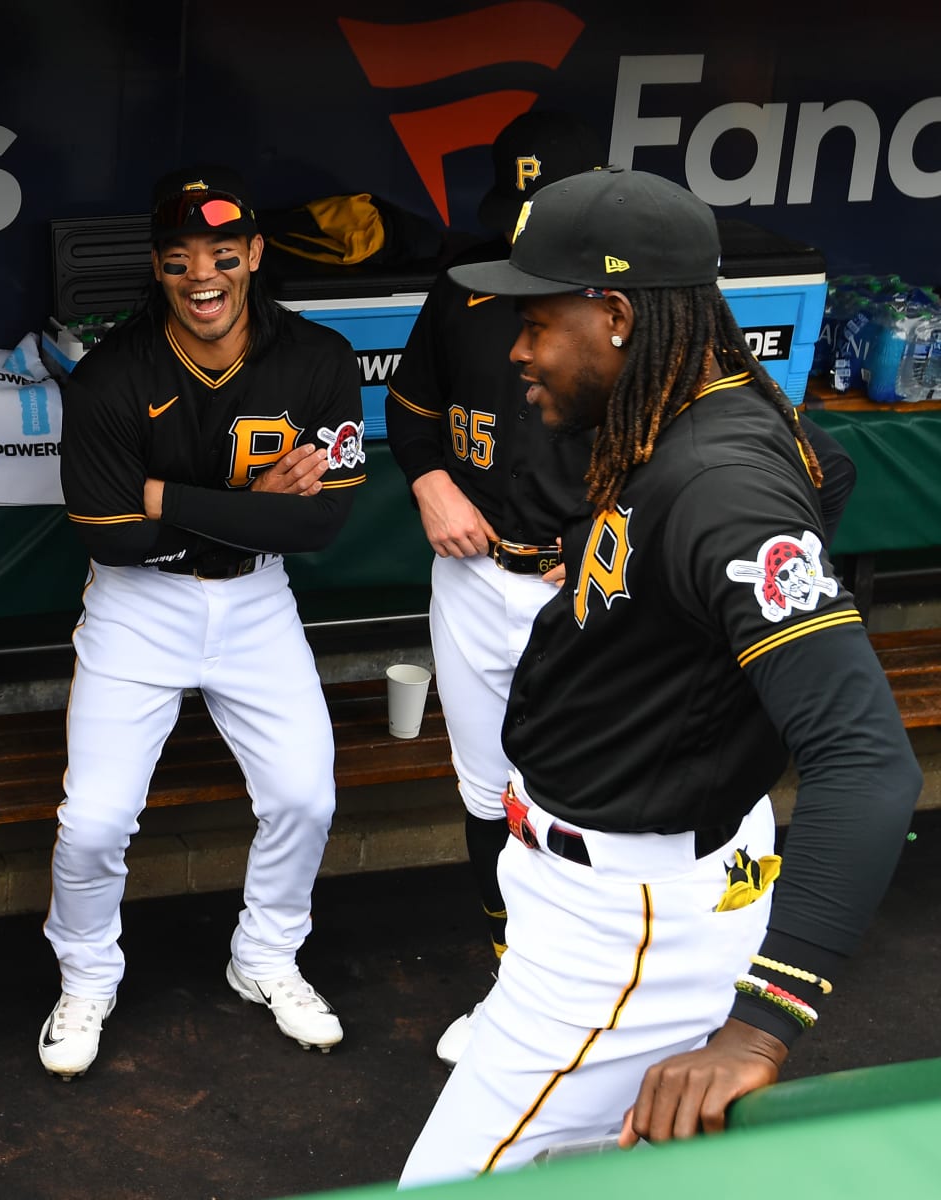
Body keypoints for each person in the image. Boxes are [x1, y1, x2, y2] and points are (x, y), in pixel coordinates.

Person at [399, 168, 920, 1184]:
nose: (515, 350)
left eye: (535, 319)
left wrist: (761, 1026)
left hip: (629, 928)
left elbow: (868, 764)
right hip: (609, 893)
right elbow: (825, 468)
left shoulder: (724, 490)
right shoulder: (684, 417)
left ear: (617, 313)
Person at [41, 165, 366, 1077]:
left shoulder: (318, 360)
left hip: (258, 601)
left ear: (255, 256)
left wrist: (168, 496)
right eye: (181, 259)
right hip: (139, 609)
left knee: (306, 794)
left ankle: (265, 957)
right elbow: (109, 529)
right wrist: (245, 498)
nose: (204, 276)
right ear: (157, 268)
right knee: (97, 821)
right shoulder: (112, 374)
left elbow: (321, 522)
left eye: (224, 254)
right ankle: (86, 973)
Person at [385, 110, 604, 1065]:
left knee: (585, 793)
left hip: (588, 590)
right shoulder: (466, 290)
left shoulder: (639, 316)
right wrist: (431, 481)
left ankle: (592, 987)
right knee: (486, 792)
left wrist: (602, 537)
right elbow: (409, 414)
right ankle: (512, 978)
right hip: (476, 577)